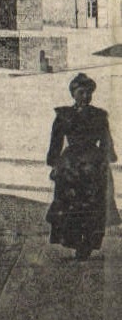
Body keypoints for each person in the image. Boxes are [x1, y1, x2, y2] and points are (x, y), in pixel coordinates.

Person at [45, 72, 120, 260]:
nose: (85, 97)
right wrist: (54, 165)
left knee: (94, 205)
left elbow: (105, 140)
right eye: (81, 92)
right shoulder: (64, 115)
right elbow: (56, 142)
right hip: (70, 165)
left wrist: (106, 159)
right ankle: (75, 241)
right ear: (73, 94)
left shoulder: (99, 115)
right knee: (70, 205)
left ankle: (87, 244)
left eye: (89, 93)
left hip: (94, 165)